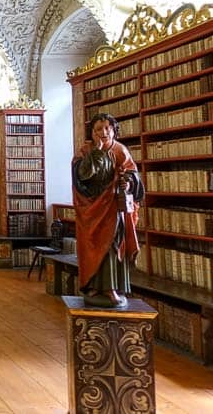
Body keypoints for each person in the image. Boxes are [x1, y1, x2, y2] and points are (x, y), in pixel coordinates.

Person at [72, 113, 144, 307]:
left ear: (113, 130)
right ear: (92, 132)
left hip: (113, 209)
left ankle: (112, 287)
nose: (103, 132)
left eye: (107, 128)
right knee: (92, 244)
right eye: (98, 129)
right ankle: (93, 283)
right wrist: (96, 154)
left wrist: (127, 183)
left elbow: (134, 177)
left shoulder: (120, 150)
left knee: (112, 246)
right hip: (92, 208)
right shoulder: (85, 151)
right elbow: (80, 176)